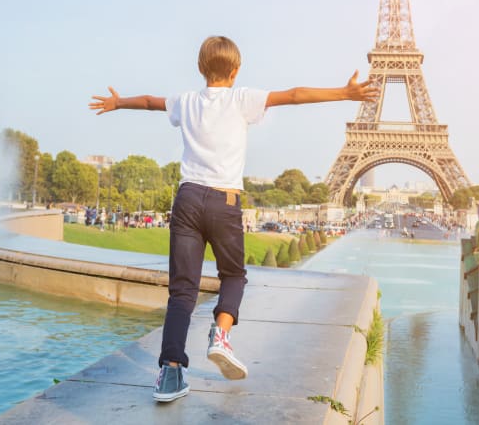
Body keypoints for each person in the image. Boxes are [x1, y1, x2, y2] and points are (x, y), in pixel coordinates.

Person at [89, 35, 377, 403]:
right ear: (236, 71)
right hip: (224, 202)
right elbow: (292, 94)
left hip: (188, 198)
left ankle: (171, 372)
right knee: (234, 275)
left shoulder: (187, 101)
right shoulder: (242, 99)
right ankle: (221, 334)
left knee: (182, 290)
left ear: (199, 69)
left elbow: (148, 102)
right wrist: (343, 93)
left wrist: (118, 103)